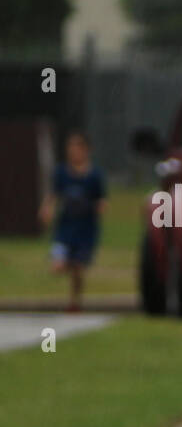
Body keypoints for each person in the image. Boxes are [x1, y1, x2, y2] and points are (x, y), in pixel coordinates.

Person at [41, 131, 106, 313]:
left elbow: (101, 199)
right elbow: (53, 195)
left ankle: (75, 302)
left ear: (86, 150)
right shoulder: (61, 172)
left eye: (77, 147)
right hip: (65, 228)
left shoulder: (94, 175)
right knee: (58, 266)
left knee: (78, 269)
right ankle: (66, 261)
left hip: (85, 229)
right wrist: (47, 209)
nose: (73, 152)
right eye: (70, 148)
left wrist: (99, 208)